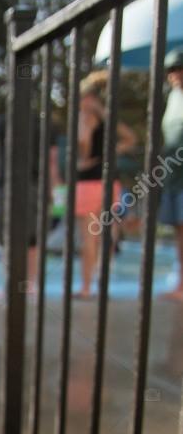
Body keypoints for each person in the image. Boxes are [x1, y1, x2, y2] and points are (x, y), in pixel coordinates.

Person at [0, 113, 60, 287]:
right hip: (36, 185)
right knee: (33, 239)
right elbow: (52, 160)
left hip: (8, 185)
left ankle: (11, 286)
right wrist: (53, 189)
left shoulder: (7, 119)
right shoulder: (44, 123)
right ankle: (30, 285)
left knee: (7, 238)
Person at [75, 71, 136, 298]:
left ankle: (86, 287)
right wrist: (109, 153)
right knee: (106, 235)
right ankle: (103, 284)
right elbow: (130, 139)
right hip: (110, 182)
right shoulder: (108, 119)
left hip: (89, 181)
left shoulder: (87, 117)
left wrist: (85, 158)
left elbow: (83, 144)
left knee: (89, 237)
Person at [159, 47, 183, 300]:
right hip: (172, 176)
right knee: (178, 229)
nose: (174, 74)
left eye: (178, 68)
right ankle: (180, 283)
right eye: (171, 69)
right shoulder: (173, 98)